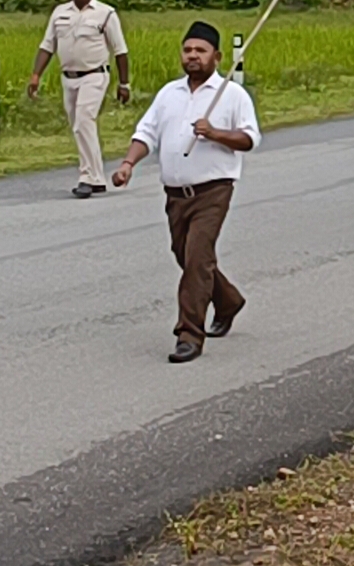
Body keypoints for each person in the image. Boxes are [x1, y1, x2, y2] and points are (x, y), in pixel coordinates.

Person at [110, 21, 259, 364]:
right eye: (188, 50)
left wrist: (216, 133)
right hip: (176, 194)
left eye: (200, 51)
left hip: (213, 191)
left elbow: (250, 139)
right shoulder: (169, 94)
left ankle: (189, 335)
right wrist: (128, 163)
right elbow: (146, 133)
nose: (193, 56)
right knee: (185, 255)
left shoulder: (232, 95)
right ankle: (228, 301)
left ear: (217, 57)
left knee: (197, 258)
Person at [28, 0, 131, 198]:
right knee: (80, 126)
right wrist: (36, 75)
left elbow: (120, 51)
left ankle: (86, 177)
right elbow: (47, 46)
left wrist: (124, 84)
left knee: (84, 121)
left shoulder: (105, 14)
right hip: (69, 77)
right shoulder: (60, 13)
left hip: (95, 75)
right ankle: (97, 178)